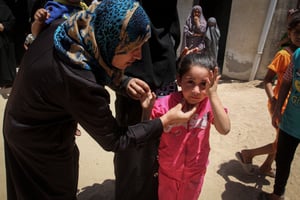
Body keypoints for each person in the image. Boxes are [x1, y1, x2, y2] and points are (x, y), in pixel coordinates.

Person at [3, 1, 197, 199]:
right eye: (132, 47)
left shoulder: (73, 29)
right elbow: (115, 139)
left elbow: (95, 62)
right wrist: (164, 121)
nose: (139, 56)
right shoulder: (81, 81)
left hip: (31, 121)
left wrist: (122, 80)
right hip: (36, 143)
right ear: (113, 42)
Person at [113, 1, 182, 199]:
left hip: (133, 81)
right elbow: (174, 35)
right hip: (145, 82)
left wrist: (122, 78)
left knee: (135, 148)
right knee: (152, 146)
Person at [141, 52, 230, 200]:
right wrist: (147, 110)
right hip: (168, 173)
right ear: (179, 79)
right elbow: (146, 132)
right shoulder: (165, 104)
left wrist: (213, 95)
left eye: (204, 84)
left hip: (194, 175)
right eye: (190, 82)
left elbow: (225, 129)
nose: (196, 91)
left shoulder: (209, 104)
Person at [236, 12, 300, 178]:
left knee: (281, 140)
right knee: (282, 143)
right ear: (290, 32)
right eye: (297, 32)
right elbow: (267, 80)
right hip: (281, 105)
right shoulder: (284, 55)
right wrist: (273, 101)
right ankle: (248, 154)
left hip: (293, 107)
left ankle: (265, 166)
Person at [259, 48, 300, 199]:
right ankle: (276, 194)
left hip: (287, 115)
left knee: (278, 148)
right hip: (290, 119)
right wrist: (276, 107)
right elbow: (285, 82)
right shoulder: (294, 55)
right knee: (282, 157)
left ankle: (251, 156)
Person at [0, 0, 16, 98]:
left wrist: (3, 26)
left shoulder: (3, 7)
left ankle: (6, 81)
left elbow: (11, 21)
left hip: (4, 39)